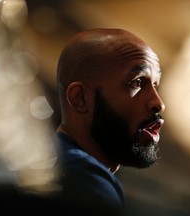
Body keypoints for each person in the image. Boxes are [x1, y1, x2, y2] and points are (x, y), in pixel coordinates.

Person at [52, 28, 166, 215]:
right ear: (81, 98)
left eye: (155, 85)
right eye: (137, 82)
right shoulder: (83, 178)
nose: (159, 104)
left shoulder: (57, 165)